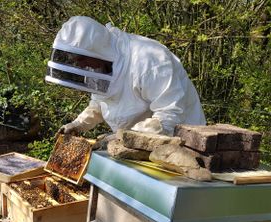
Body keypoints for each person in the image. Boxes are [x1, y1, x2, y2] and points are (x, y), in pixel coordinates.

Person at [45, 16, 206, 137]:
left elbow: (169, 117)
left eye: (81, 59)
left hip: (181, 141)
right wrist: (79, 124)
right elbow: (100, 102)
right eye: (75, 61)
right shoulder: (100, 64)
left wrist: (120, 138)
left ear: (97, 50)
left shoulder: (149, 60)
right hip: (135, 144)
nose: (80, 66)